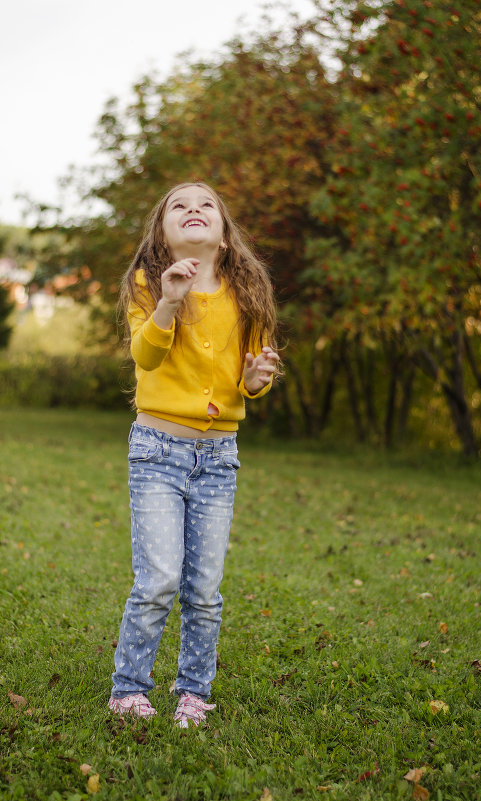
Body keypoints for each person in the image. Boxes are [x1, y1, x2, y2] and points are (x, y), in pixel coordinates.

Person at [108, 182, 280, 727]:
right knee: (158, 579)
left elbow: (253, 376)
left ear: (225, 238)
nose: (193, 210)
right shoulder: (147, 285)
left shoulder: (247, 293)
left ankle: (193, 692)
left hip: (219, 457)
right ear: (162, 234)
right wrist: (168, 300)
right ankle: (129, 689)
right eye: (178, 206)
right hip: (158, 450)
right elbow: (146, 355)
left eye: (206, 205)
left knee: (203, 590)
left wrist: (254, 381)